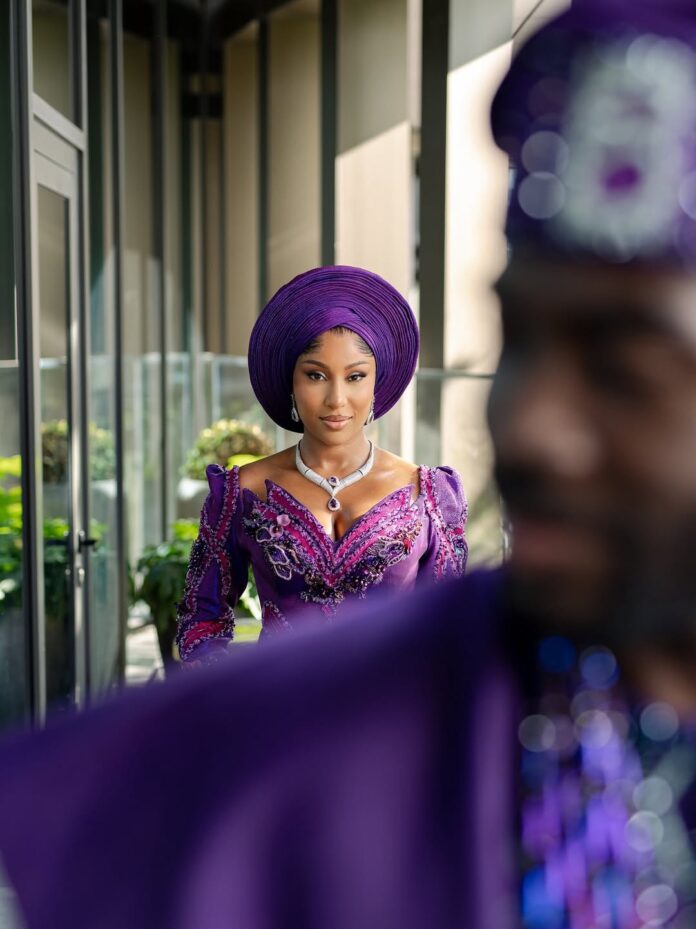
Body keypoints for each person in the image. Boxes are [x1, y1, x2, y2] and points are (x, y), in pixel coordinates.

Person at [3, 1, 696, 928]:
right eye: (519, 339)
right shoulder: (279, 775)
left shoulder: (425, 495)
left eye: (622, 367)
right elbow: (202, 621)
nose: (529, 424)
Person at [176, 265, 467, 662]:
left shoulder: (428, 494)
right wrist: (239, 706)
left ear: (376, 383)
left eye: (355, 376)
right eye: (315, 376)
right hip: (279, 717)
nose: (336, 400)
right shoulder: (241, 491)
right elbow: (201, 619)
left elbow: (451, 633)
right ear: (291, 384)